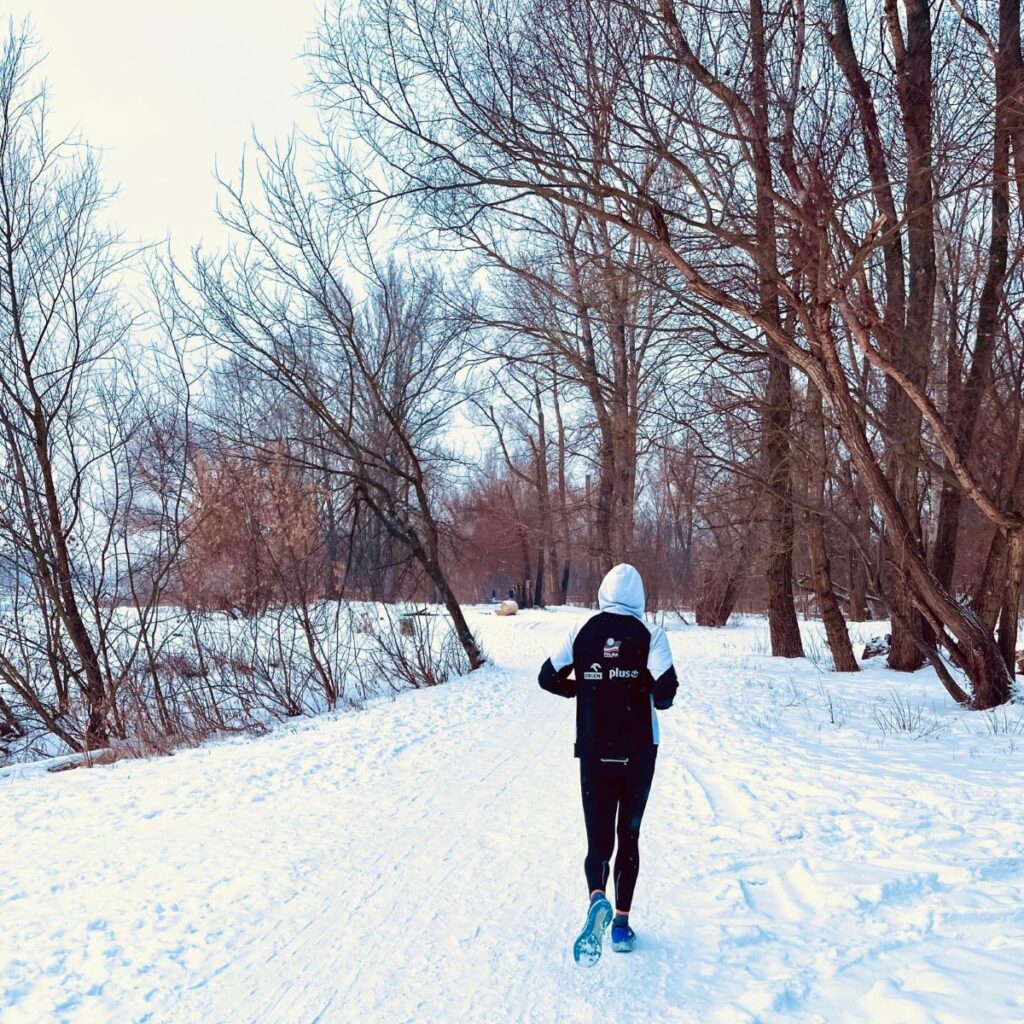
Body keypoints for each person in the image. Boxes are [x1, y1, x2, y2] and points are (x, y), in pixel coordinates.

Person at [537, 564, 677, 966]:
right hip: (638, 753)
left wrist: (582, 688)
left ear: (602, 592)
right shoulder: (651, 635)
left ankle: (597, 897)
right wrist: (639, 683)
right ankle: (620, 925)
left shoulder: (582, 630)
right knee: (628, 837)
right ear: (639, 596)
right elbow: (666, 694)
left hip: (594, 751)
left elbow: (547, 677)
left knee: (598, 841)